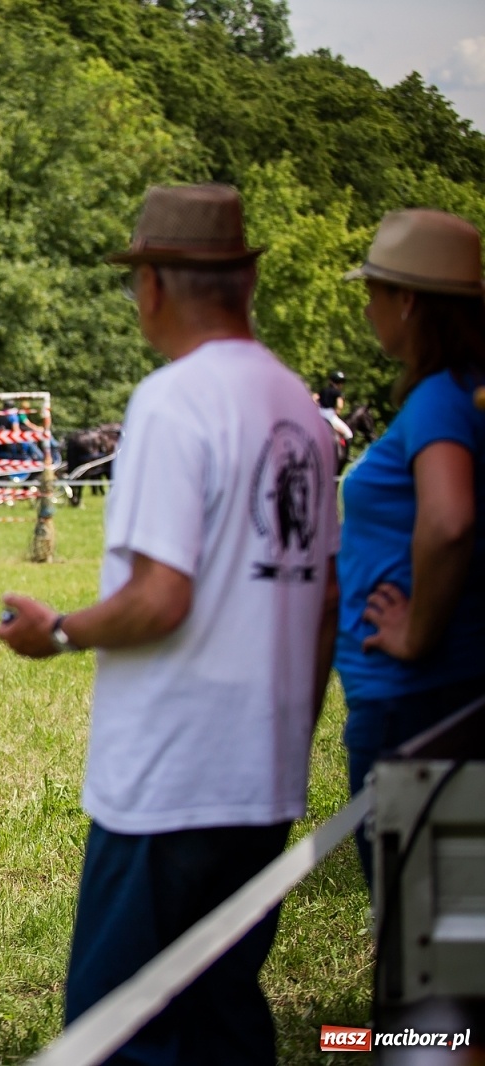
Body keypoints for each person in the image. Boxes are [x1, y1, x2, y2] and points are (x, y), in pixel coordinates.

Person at [0, 184, 339, 1064]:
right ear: (246, 280)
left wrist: (59, 631)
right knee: (224, 1022)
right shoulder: (300, 408)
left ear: (151, 284)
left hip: (171, 780)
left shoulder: (174, 400)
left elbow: (160, 597)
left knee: (122, 1031)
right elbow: (324, 596)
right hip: (262, 778)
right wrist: (292, 742)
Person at [335, 209, 485, 883]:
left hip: (412, 701)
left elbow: (450, 520)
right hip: (447, 692)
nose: (368, 308)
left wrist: (416, 633)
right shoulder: (468, 392)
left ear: (409, 301)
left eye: (374, 291)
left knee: (416, 916)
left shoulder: (438, 401)